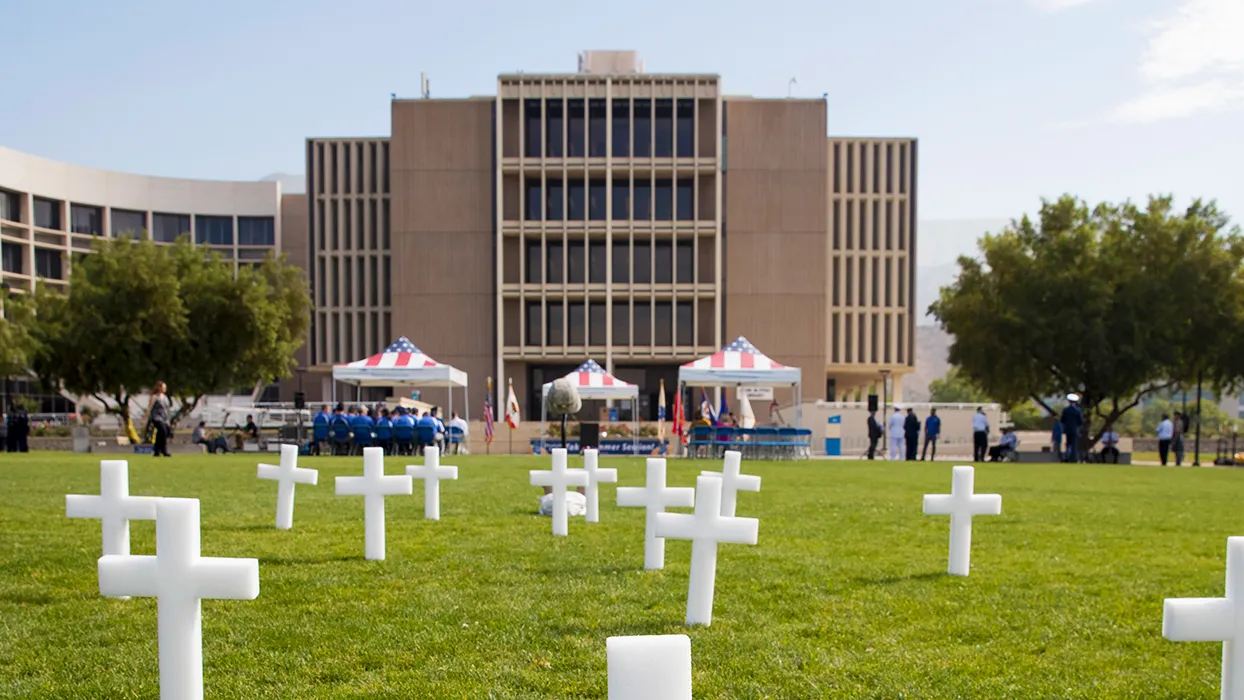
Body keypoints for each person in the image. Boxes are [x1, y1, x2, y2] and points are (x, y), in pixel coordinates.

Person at [147, 381, 172, 458]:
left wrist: (168, 420)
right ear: (159, 388)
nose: (165, 389)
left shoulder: (165, 397)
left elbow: (167, 409)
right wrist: (145, 418)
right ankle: (164, 450)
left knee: (161, 434)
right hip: (156, 417)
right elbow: (149, 407)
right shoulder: (154, 396)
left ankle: (157, 451)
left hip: (164, 418)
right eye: (164, 387)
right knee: (163, 431)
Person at [1060, 394, 1084, 463]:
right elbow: (1080, 421)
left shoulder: (1066, 410)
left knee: (1068, 443)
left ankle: (1067, 456)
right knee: (1074, 444)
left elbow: (1062, 420)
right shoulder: (1078, 410)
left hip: (1067, 429)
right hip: (1075, 429)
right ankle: (1074, 458)